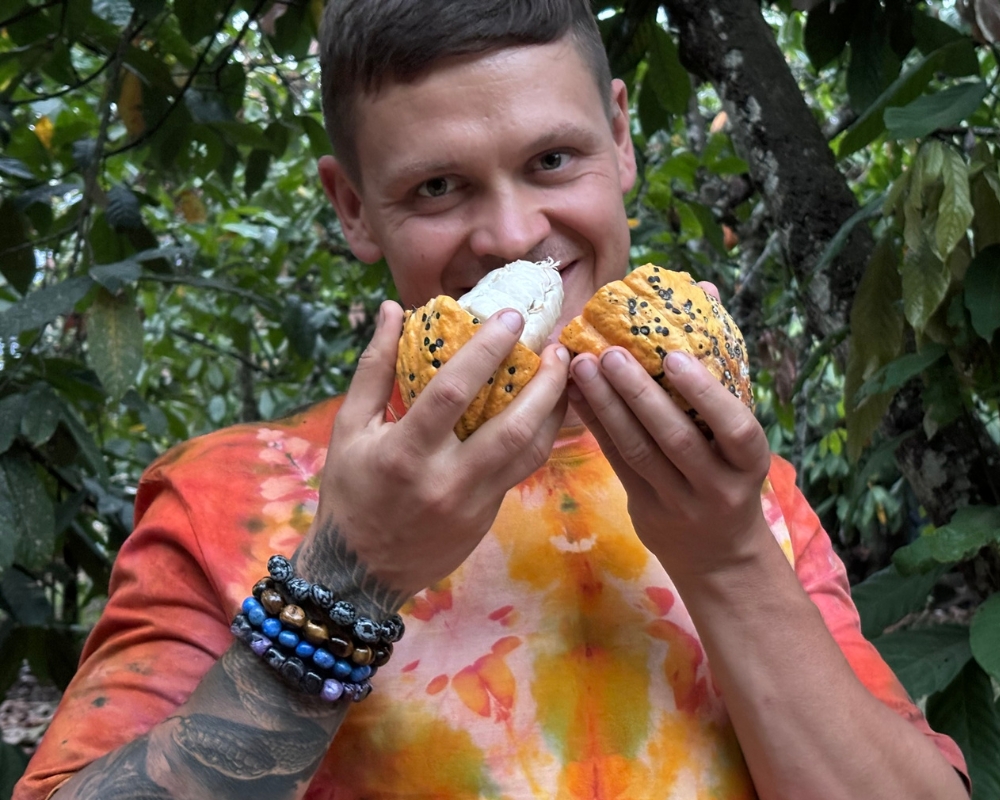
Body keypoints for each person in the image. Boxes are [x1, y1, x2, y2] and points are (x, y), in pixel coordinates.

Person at [15, 1, 971, 798]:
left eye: (553, 160)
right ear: (353, 207)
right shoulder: (226, 498)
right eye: (438, 186)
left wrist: (727, 558)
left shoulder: (742, 489)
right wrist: (343, 584)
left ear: (621, 139)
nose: (514, 234)